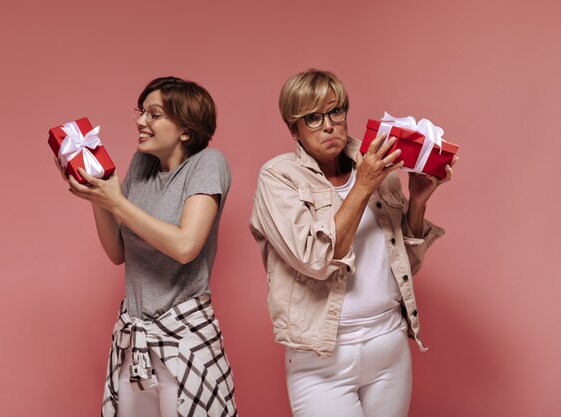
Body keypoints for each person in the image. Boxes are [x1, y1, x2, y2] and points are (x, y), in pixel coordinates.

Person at [249, 69, 457, 417]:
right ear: (293, 129)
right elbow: (315, 260)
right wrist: (363, 185)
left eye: (336, 111)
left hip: (389, 346)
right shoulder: (278, 177)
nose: (329, 125)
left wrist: (418, 200)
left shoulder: (374, 164)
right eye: (312, 118)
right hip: (322, 357)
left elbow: (405, 264)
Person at [56, 76, 237, 417]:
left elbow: (186, 245)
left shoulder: (208, 163)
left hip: (185, 339)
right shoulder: (141, 165)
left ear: (185, 130)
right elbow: (117, 253)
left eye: (154, 114)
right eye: (141, 112)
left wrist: (117, 202)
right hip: (134, 337)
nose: (141, 121)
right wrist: (99, 195)